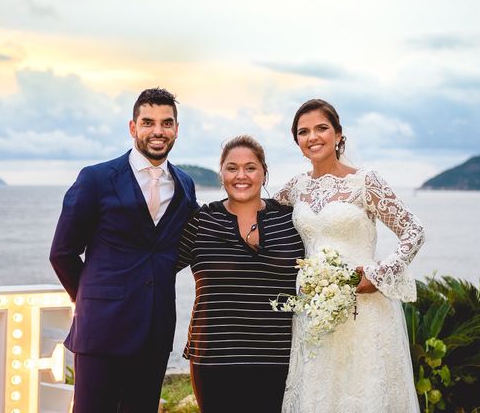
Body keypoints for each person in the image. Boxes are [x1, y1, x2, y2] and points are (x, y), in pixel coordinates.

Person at [50, 88, 198, 413]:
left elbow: (181, 246)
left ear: (176, 129)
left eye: (166, 122)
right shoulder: (96, 179)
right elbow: (62, 252)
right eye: (148, 122)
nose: (158, 131)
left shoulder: (185, 184)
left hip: (156, 328)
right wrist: (94, 298)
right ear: (133, 128)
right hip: (102, 327)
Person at [275, 99, 426, 412]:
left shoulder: (364, 182)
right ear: (297, 142)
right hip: (313, 308)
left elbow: (413, 231)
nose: (313, 136)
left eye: (321, 128)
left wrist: (379, 274)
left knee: (363, 390)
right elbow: (263, 215)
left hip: (364, 305)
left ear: (338, 134)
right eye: (303, 132)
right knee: (320, 389)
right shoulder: (295, 188)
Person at [177, 135, 305, 413]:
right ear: (221, 174)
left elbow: (322, 267)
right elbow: (156, 268)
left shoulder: (290, 221)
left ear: (264, 173)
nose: (241, 175)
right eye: (232, 168)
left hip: (279, 357)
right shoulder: (201, 221)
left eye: (250, 167)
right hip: (214, 358)